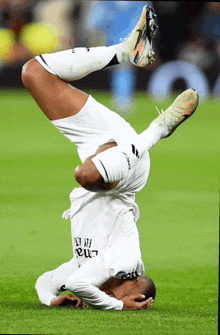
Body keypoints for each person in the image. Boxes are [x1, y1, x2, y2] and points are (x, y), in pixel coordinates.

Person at [21, 5, 199, 310]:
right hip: (128, 169)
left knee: (35, 73)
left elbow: (47, 281)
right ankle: (160, 129)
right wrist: (117, 306)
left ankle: (124, 52)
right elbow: (80, 286)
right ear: (138, 294)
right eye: (129, 298)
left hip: (101, 148)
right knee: (85, 176)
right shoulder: (126, 263)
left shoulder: (85, 267)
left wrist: (52, 299)